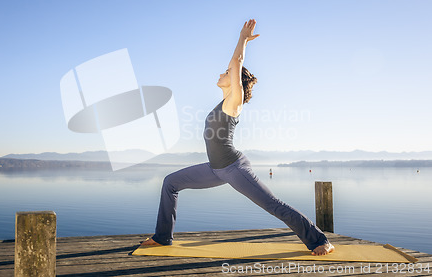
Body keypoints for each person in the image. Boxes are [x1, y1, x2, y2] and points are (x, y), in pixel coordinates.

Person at [140, 19, 335, 256]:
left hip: (234, 168)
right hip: (214, 169)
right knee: (170, 183)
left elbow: (237, 62)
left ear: (235, 82)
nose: (222, 72)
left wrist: (242, 38)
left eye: (227, 73)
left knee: (274, 206)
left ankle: (319, 240)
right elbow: (234, 65)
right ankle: (163, 237)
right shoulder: (222, 102)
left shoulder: (234, 102)